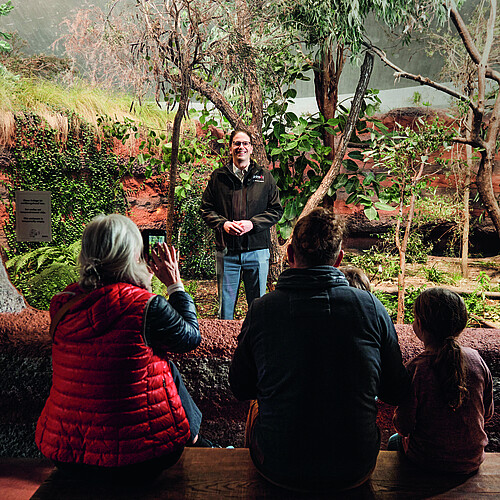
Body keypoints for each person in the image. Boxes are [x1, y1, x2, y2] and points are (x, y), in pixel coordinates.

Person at [229, 208, 410, 492]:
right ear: (338, 259)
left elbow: (240, 387)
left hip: (279, 467)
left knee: (256, 406)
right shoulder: (370, 307)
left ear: (289, 254)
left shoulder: (262, 310)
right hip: (355, 466)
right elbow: (396, 390)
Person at [35, 214, 212, 480]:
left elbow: (109, 308)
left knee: (154, 364)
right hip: (142, 456)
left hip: (66, 454)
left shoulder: (62, 304)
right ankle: (200, 442)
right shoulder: (148, 306)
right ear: (133, 254)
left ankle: (200, 441)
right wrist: (175, 284)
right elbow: (190, 337)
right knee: (165, 366)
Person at [388, 287, 494, 474]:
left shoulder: (416, 368)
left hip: (427, 460)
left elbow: (404, 427)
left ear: (419, 324)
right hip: (471, 460)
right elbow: (487, 414)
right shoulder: (476, 359)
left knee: (393, 441)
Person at [200, 129, 283, 319]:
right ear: (230, 148)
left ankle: (255, 346)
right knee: (225, 310)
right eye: (237, 143)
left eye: (245, 143)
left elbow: (276, 210)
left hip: (257, 252)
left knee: (258, 309)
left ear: (251, 148)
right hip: (227, 253)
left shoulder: (264, 177)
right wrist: (223, 224)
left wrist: (252, 224)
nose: (241, 147)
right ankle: (225, 347)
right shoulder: (218, 177)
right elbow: (206, 209)